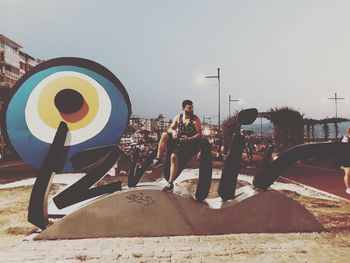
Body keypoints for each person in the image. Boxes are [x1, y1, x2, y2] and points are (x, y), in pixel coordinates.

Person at [152, 99, 203, 192]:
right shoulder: (178, 117)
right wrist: (174, 131)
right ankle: (158, 159)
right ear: (183, 108)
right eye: (189, 108)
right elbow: (170, 128)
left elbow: (200, 134)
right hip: (178, 140)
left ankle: (170, 183)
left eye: (192, 108)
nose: (191, 110)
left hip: (189, 143)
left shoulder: (195, 119)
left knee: (173, 157)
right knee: (164, 134)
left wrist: (189, 138)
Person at [341, 127, 350, 194]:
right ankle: (347, 188)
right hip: (347, 158)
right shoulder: (346, 138)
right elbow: (343, 149)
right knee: (347, 173)